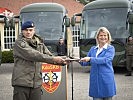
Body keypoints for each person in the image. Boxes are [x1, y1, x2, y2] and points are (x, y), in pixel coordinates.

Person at [12, 21, 66, 100]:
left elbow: (49, 55)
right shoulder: (19, 43)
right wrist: (54, 59)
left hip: (36, 84)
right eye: (26, 30)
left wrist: (63, 61)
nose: (28, 32)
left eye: (30, 30)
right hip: (22, 83)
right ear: (22, 31)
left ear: (34, 30)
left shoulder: (39, 43)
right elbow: (33, 55)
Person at [80, 27, 116, 100]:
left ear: (108, 37)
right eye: (101, 35)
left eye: (105, 35)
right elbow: (87, 62)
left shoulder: (110, 48)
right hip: (95, 80)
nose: (103, 37)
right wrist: (77, 60)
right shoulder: (93, 49)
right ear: (97, 37)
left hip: (106, 79)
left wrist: (90, 59)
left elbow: (105, 60)